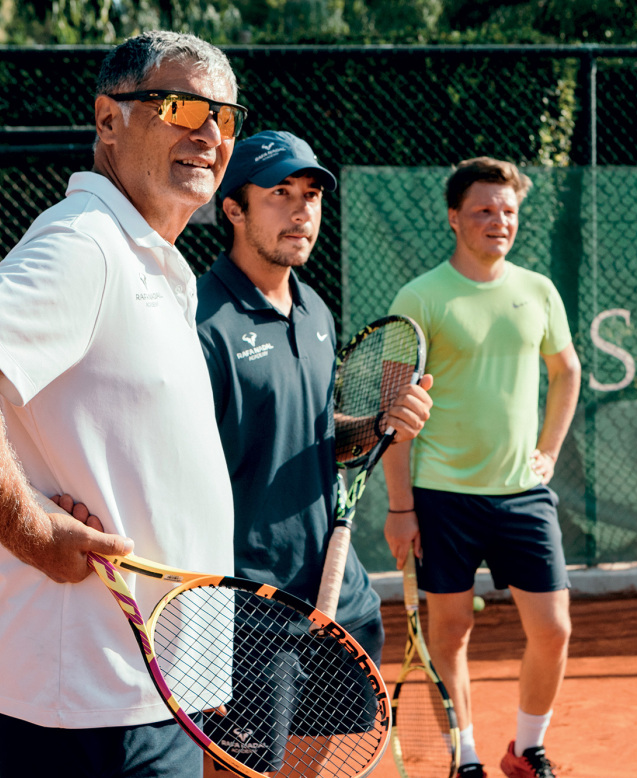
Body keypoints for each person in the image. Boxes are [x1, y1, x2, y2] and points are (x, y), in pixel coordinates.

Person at [0, 31, 244, 778]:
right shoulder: (89, 247)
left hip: (147, 695)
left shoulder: (151, 260)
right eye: (179, 106)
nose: (208, 132)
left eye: (225, 116)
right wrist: (29, 528)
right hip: (94, 704)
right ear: (108, 120)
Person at [194, 130, 433, 776]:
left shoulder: (316, 311)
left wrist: (382, 424)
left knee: (323, 761)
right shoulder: (198, 319)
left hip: (338, 596)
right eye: (280, 195)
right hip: (249, 606)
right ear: (233, 209)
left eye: (311, 196)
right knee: (244, 771)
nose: (302, 211)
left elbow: (326, 438)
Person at [381, 157, 582, 778]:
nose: (499, 222)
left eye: (508, 211)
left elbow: (567, 370)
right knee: (450, 632)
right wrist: (400, 507)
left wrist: (548, 450)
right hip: (442, 497)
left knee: (553, 629)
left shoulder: (539, 290)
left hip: (524, 494)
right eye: (484, 211)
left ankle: (527, 749)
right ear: (454, 218)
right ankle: (464, 756)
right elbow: (394, 407)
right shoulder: (420, 296)